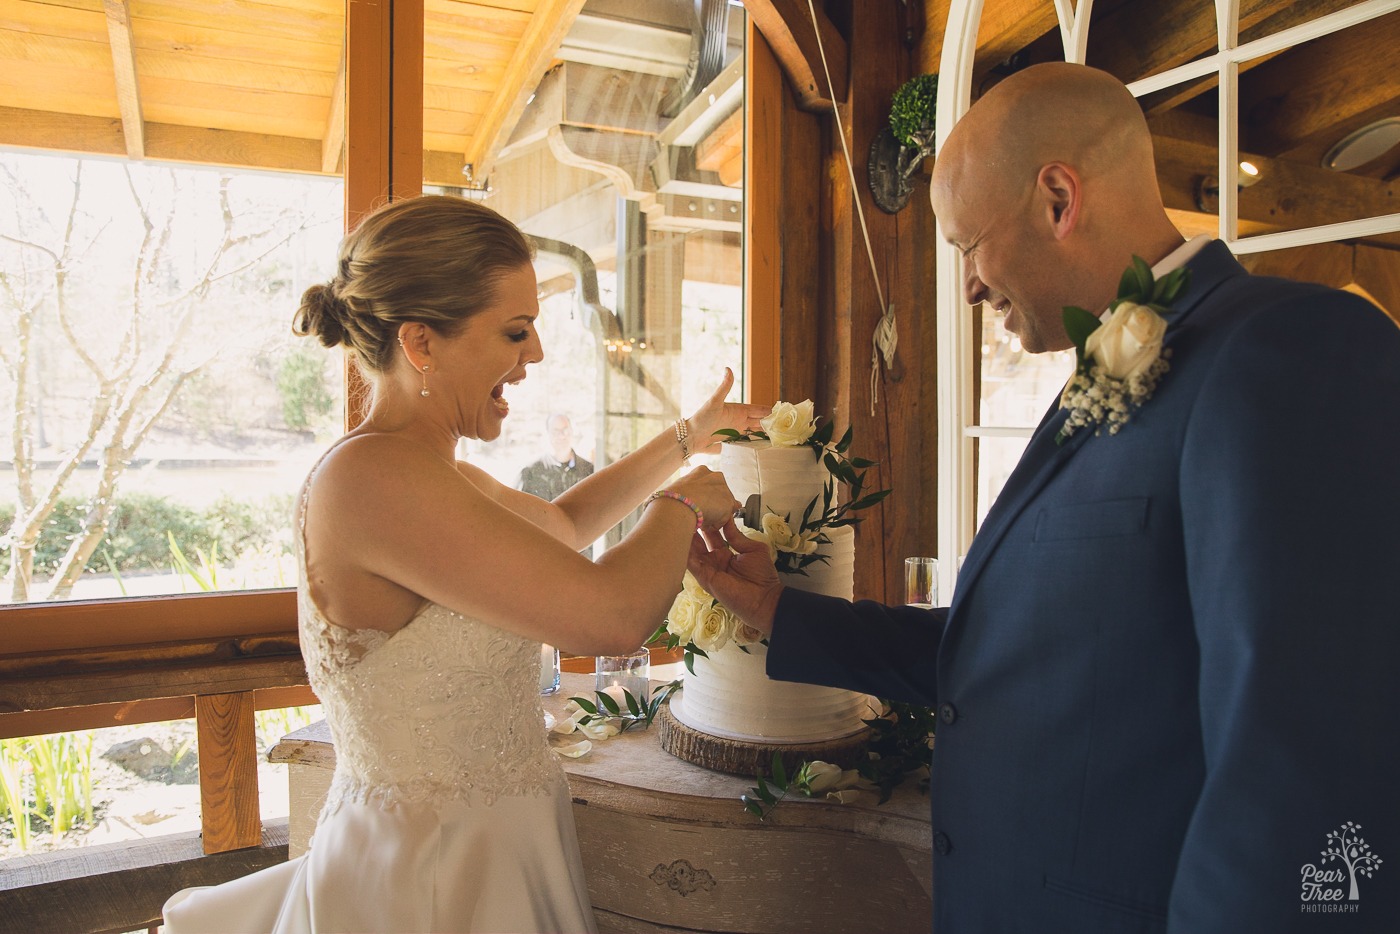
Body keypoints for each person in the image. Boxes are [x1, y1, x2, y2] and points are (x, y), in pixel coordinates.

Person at [690, 63, 1400, 933]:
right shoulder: (1096, 379)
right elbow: (1022, 654)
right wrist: (779, 610)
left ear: (1058, 198)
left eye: (966, 247)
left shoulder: (1287, 354)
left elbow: (1306, 757)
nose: (969, 286)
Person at [162, 194, 766, 934]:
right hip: (430, 880)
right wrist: (682, 506)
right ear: (421, 343)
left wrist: (689, 436)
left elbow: (563, 525)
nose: (536, 354)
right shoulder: (374, 480)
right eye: (516, 330)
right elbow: (608, 615)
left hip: (492, 853)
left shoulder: (423, 469)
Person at [518, 413, 595, 557]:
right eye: (556, 431)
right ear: (548, 434)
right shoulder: (531, 472)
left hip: (582, 560)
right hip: (543, 557)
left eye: (565, 430)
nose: (561, 435)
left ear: (572, 432)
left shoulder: (590, 471)